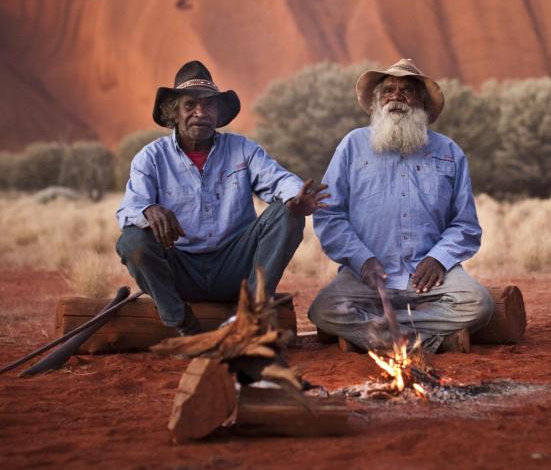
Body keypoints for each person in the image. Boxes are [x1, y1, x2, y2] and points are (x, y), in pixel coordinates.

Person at [116, 60, 328, 335]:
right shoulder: (151, 157)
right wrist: (148, 211)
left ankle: (251, 316)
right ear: (175, 112)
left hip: (236, 268)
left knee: (289, 214)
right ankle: (181, 323)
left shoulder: (242, 149)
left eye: (209, 105)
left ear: (218, 113)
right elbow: (127, 211)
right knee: (132, 240)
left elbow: (279, 180)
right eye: (190, 105)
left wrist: (294, 197)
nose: (200, 113)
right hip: (182, 271)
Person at [308, 58, 494, 353]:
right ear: (376, 101)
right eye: (388, 89)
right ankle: (432, 338)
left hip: (430, 278)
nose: (396, 96)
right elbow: (330, 213)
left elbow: (465, 224)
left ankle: (381, 334)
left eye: (407, 90)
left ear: (421, 102)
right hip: (369, 275)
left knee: (479, 304)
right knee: (323, 310)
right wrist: (362, 259)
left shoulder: (448, 152)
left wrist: (439, 259)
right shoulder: (352, 145)